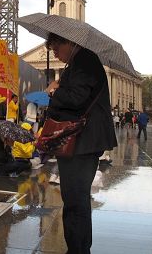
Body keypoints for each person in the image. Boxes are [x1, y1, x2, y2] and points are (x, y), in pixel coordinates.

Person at [44, 32, 116, 254]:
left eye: (56, 47)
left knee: (75, 199)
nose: (54, 53)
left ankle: (78, 250)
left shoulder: (84, 61)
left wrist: (54, 90)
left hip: (83, 140)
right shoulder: (78, 62)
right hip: (80, 139)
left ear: (70, 42)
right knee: (74, 198)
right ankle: (77, 248)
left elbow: (76, 98)